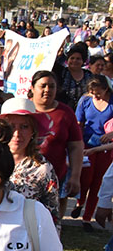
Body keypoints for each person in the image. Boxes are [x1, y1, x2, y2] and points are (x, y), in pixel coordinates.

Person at [0, 100, 59, 225]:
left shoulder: (42, 169)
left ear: (33, 132)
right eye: (11, 126)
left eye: (24, 127)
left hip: (25, 238)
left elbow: (52, 217)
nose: (17, 133)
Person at [29, 70, 83, 221]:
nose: (47, 90)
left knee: (52, 222)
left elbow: (76, 146)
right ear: (33, 88)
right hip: (25, 179)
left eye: (51, 86)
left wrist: (75, 176)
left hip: (57, 177)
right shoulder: (23, 110)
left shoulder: (65, 113)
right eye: (43, 86)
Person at [72, 74, 113, 230]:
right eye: (93, 93)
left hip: (106, 148)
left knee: (98, 182)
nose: (95, 96)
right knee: (85, 179)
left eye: (98, 93)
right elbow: (78, 123)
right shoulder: (85, 101)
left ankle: (87, 218)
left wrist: (110, 134)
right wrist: (78, 143)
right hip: (86, 145)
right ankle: (79, 202)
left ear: (106, 89)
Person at [55, 45, 91, 110]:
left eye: (78, 59)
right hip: (63, 109)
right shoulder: (61, 72)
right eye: (72, 58)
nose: (74, 61)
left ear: (83, 61)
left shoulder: (89, 75)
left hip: (84, 110)